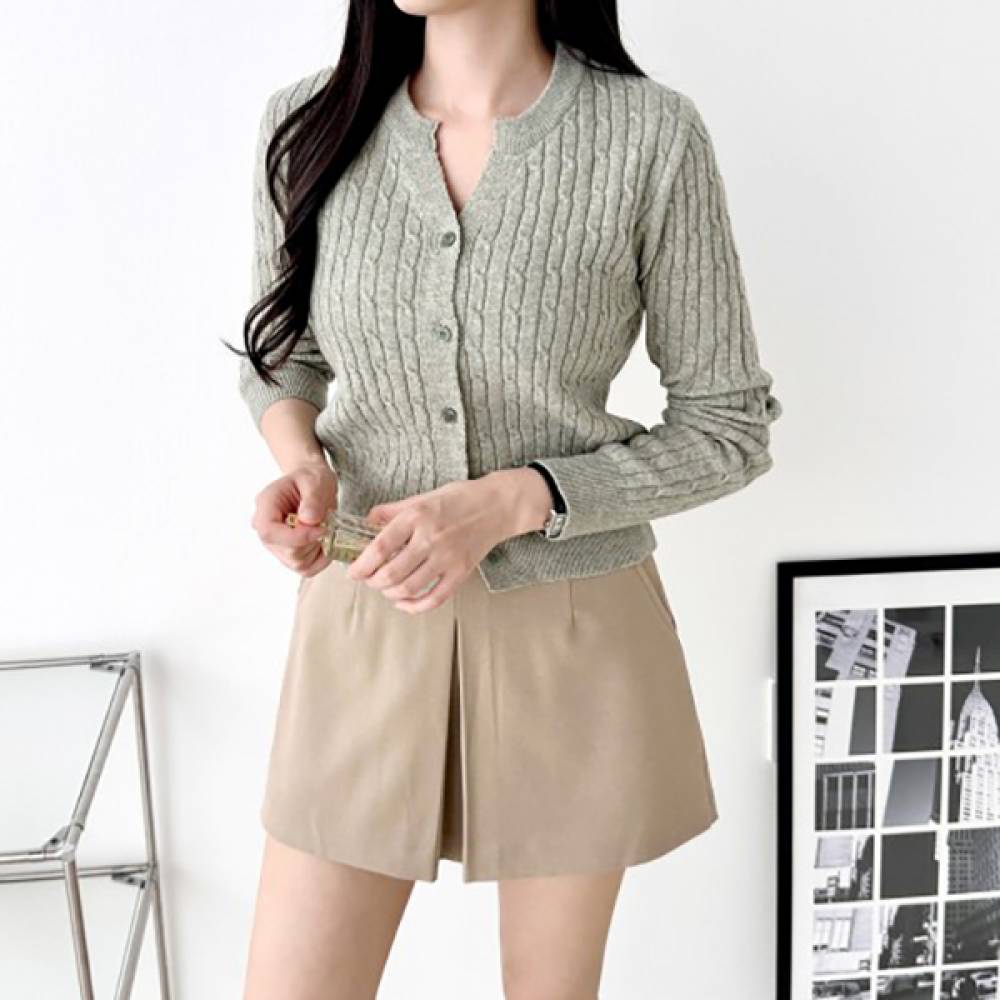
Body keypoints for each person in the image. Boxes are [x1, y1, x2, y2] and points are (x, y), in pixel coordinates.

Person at [230, 3, 782, 998]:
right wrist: (300, 456)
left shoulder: (648, 134)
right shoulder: (308, 124)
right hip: (365, 613)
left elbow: (728, 426)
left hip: (572, 641)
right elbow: (282, 355)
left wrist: (513, 500)